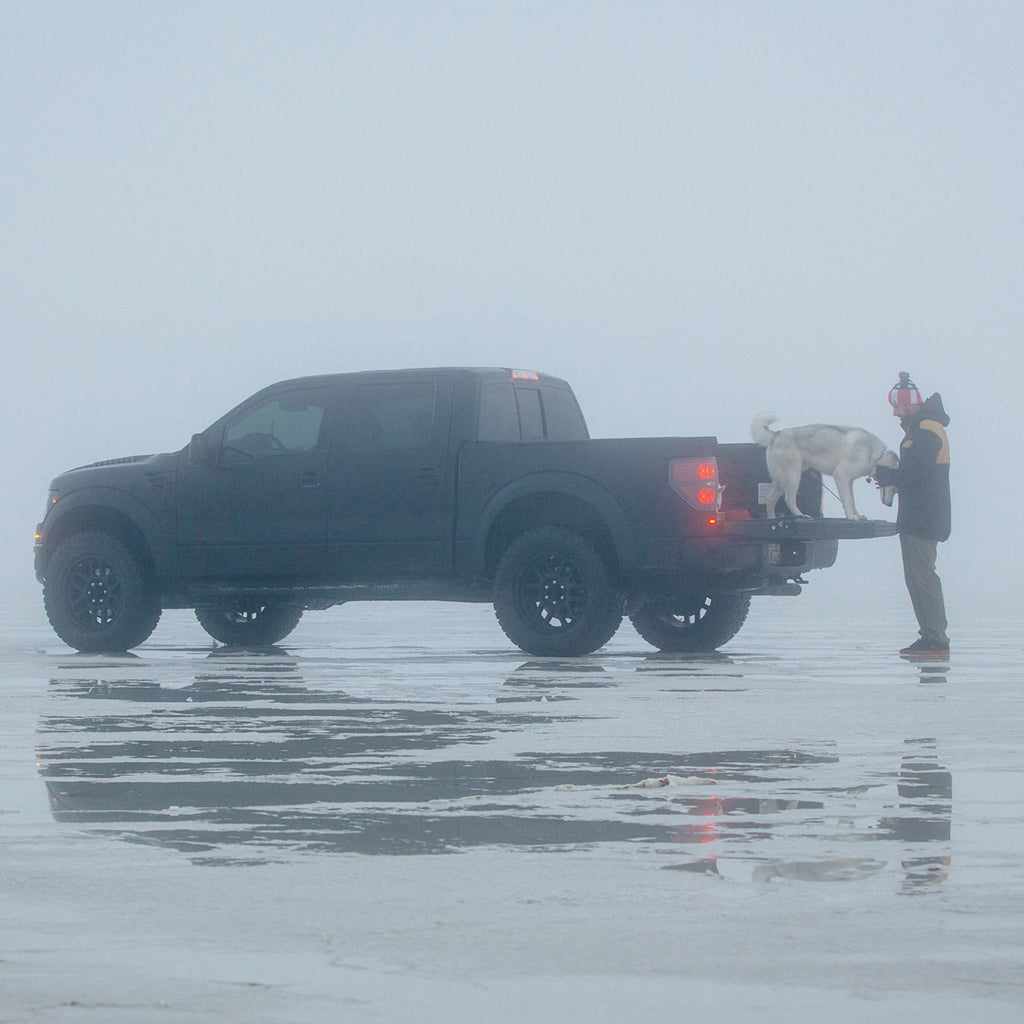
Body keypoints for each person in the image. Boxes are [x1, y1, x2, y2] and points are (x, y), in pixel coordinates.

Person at [873, 372, 951, 656]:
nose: (894, 414)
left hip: (924, 519)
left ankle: (936, 638)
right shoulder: (918, 429)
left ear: (910, 405)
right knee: (916, 578)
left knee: (923, 577)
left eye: (897, 407)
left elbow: (919, 473)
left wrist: (887, 475)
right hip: (916, 517)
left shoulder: (928, 429)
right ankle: (930, 635)